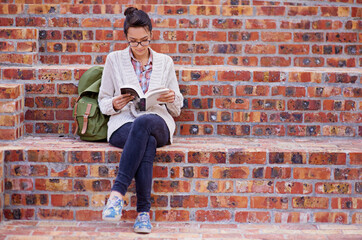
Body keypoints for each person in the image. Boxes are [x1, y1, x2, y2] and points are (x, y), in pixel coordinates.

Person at [98, 7, 183, 234]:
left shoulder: (165, 62)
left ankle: (116, 195)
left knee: (144, 123)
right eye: (133, 42)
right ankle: (143, 215)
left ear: (151, 35)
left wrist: (172, 97)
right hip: (123, 122)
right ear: (126, 37)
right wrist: (115, 103)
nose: (139, 46)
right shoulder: (114, 60)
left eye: (144, 41)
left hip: (158, 121)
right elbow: (103, 101)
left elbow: (176, 108)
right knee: (147, 142)